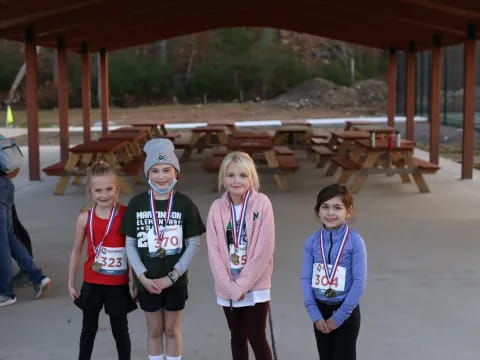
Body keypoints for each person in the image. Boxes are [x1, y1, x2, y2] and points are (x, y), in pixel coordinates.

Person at [121, 138, 205, 360]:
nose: (161, 176)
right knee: (155, 330)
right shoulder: (137, 204)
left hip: (175, 281)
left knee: (172, 330)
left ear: (176, 172)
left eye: (167, 170)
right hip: (147, 281)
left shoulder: (185, 204)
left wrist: (173, 275)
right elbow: (129, 244)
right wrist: (141, 276)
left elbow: (194, 243)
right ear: (147, 174)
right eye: (155, 170)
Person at [206, 151, 275, 360]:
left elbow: (264, 250)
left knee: (256, 337)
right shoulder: (217, 208)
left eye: (243, 175)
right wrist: (229, 287)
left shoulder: (262, 204)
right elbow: (214, 251)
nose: (236, 180)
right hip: (227, 287)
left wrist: (242, 285)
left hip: (255, 287)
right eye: (231, 175)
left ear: (252, 178)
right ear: (223, 178)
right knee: (237, 337)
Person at [67, 161, 137, 360]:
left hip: (118, 283)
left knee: (120, 330)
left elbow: (132, 251)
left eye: (109, 189)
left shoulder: (125, 215)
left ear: (117, 188)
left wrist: (135, 282)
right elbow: (76, 251)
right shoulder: (84, 218)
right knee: (88, 329)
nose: (104, 195)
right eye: (98, 190)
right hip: (92, 282)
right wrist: (71, 282)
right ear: (90, 191)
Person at [301, 184, 367, 360]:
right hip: (320, 312)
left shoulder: (355, 242)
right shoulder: (312, 242)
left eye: (337, 207)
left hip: (346, 311)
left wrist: (338, 318)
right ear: (318, 211)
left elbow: (359, 283)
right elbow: (306, 278)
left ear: (348, 211)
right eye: (325, 207)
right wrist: (315, 314)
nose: (330, 213)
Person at [0, 161, 51, 307]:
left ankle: (6, 293)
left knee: (2, 244)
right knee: (10, 238)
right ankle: (37, 277)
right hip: (5, 183)